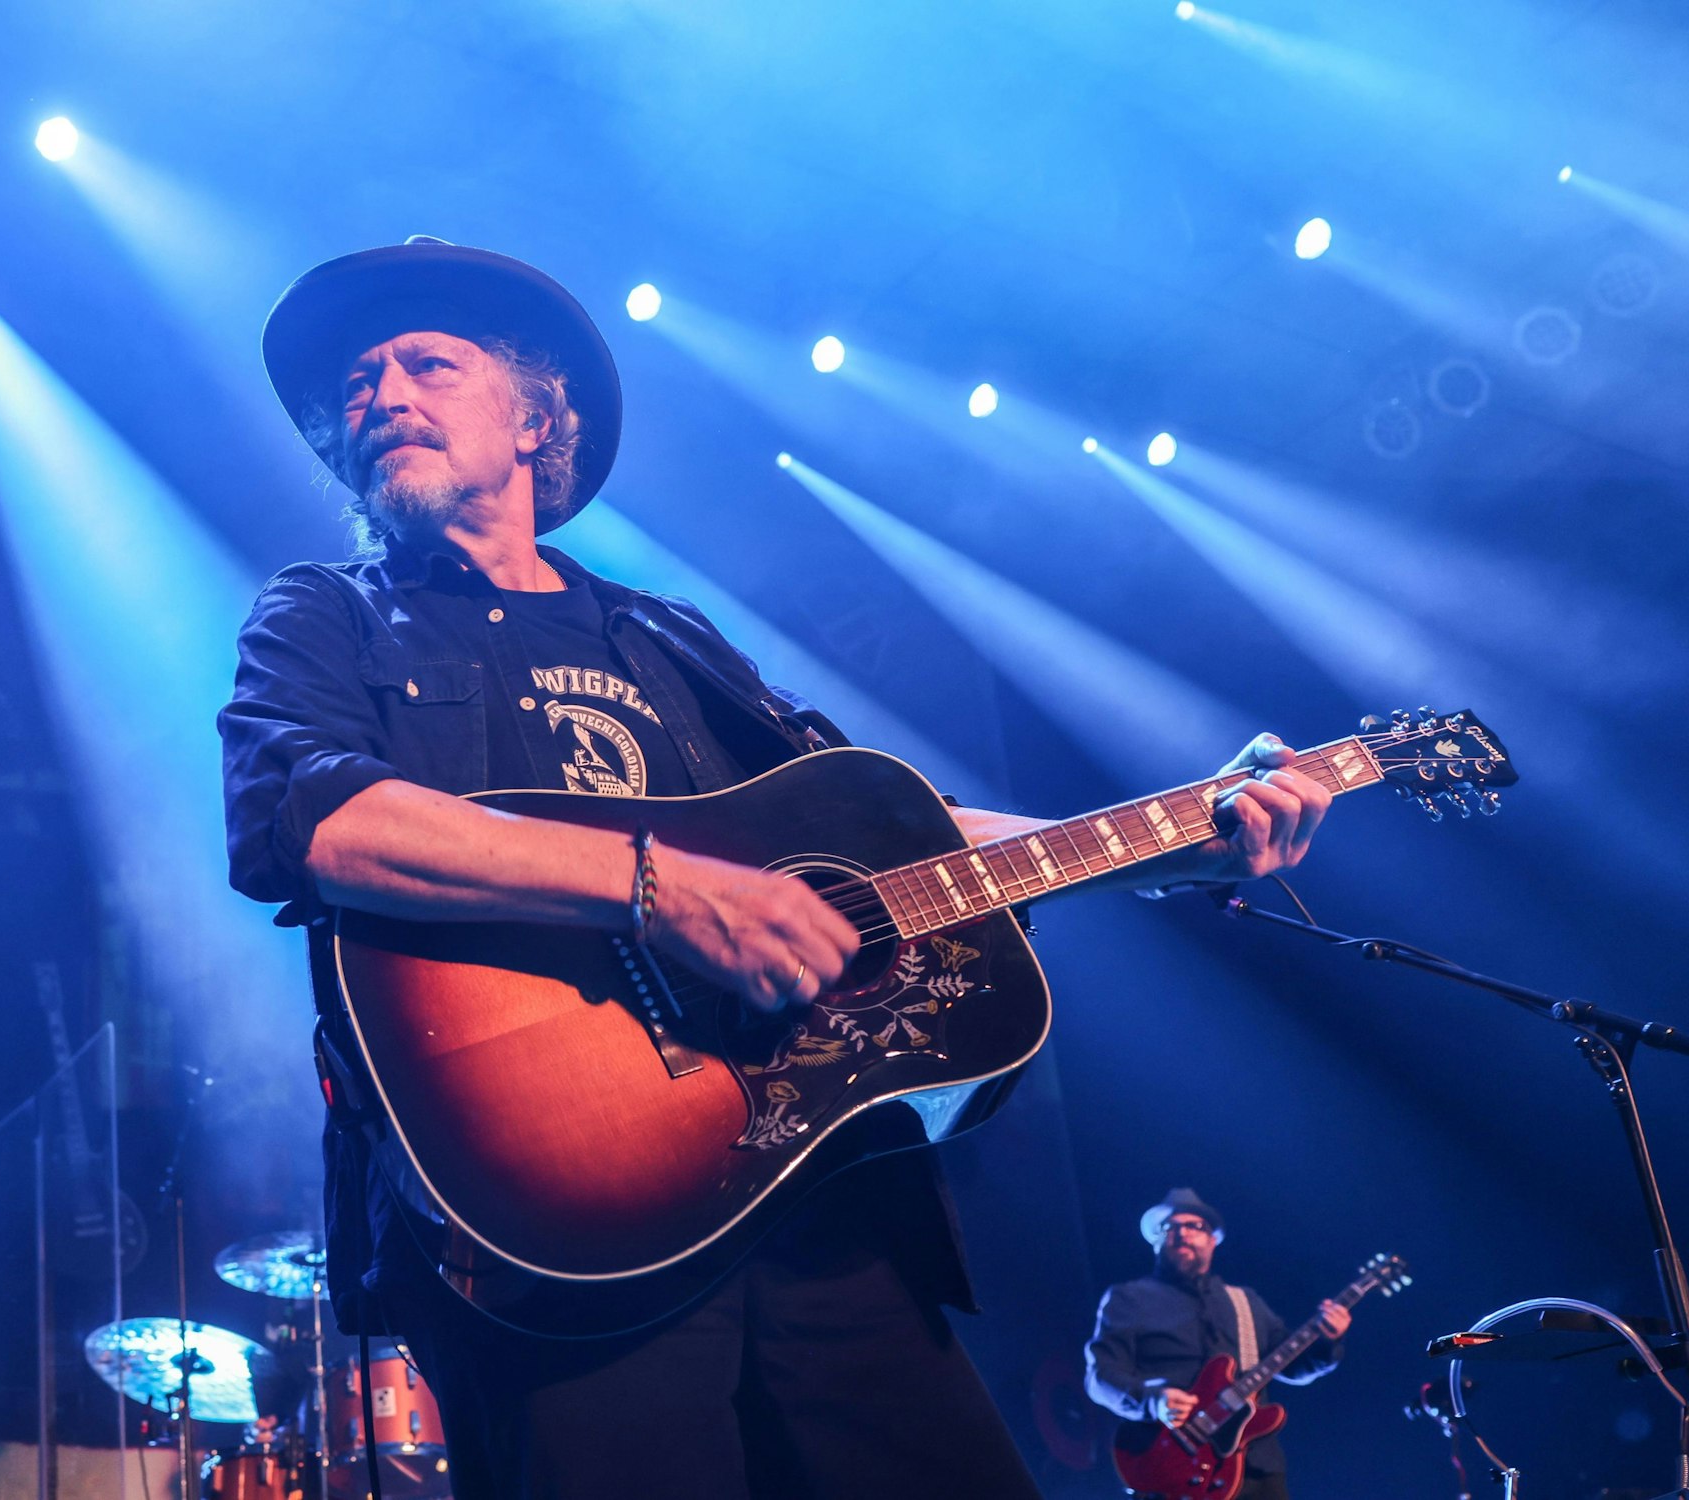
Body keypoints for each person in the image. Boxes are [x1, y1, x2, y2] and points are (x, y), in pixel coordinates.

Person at [219, 236, 1335, 1500]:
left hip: (812, 1199)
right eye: (359, 384)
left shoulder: (666, 636)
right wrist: (660, 884)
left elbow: (901, 835)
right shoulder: (328, 613)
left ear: (538, 418)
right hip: (559, 1232)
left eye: (428, 363)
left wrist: (1174, 843)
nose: (383, 396)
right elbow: (312, 825)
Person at [1085, 1188, 1351, 1500]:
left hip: (1255, 1466)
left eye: (1194, 1226)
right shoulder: (1129, 1298)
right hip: (1172, 1469)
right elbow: (1100, 1376)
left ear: (1213, 1240)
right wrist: (1152, 1400)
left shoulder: (1245, 1302)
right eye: (1171, 1227)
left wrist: (1327, 1342)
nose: (1182, 1234)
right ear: (1158, 1240)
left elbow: (1292, 1366)